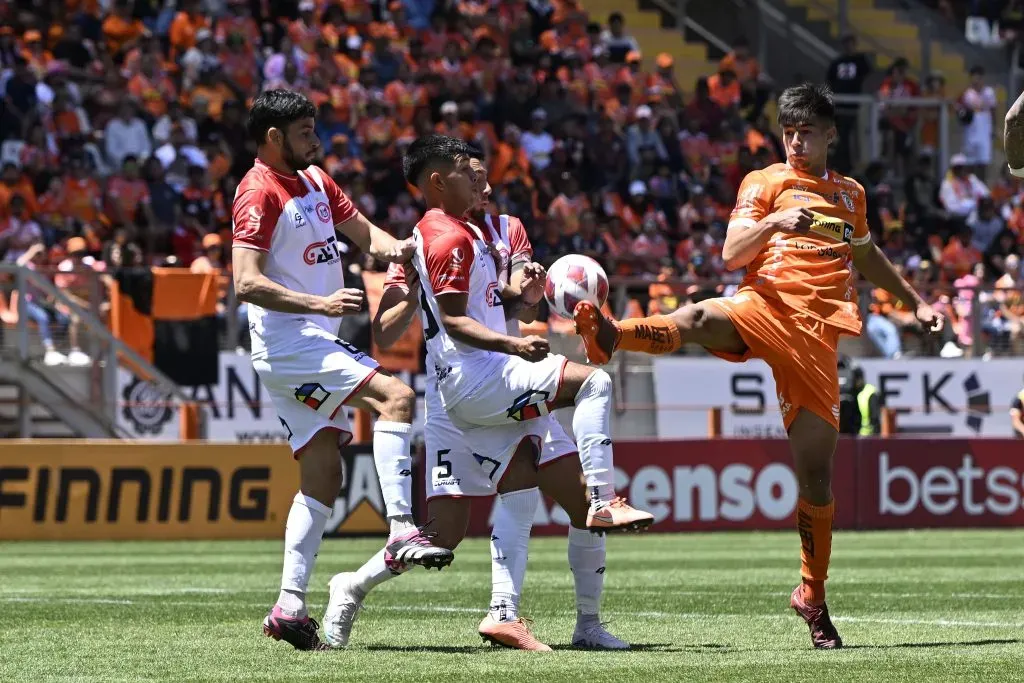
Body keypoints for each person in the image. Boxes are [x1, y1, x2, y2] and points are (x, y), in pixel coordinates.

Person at [572, 84, 944, 649]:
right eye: (788, 132)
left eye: (807, 132)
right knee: (697, 318)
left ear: (829, 135)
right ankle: (610, 334)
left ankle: (812, 595)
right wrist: (775, 224)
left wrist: (915, 300)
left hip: (818, 338)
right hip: (764, 305)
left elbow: (865, 253)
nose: (796, 141)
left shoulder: (850, 195)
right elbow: (731, 252)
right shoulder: (765, 182)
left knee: (816, 479)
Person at [324, 151, 627, 651]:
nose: (483, 188)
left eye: (485, 180)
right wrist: (417, 288)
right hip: (462, 389)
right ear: (450, 182)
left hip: (507, 380)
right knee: (443, 534)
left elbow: (513, 302)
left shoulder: (507, 230)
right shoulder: (435, 238)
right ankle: (352, 586)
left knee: (567, 499)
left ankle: (574, 621)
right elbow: (386, 329)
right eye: (473, 178)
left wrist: (527, 293)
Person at [230, 90, 452, 652]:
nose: (316, 139)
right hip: (290, 341)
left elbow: (368, 236)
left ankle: (289, 605)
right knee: (397, 398)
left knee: (323, 472)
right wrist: (318, 306)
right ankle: (402, 528)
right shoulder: (257, 191)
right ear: (274, 137)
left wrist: (405, 250)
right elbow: (245, 282)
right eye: (305, 131)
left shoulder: (317, 181)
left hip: (307, 341)